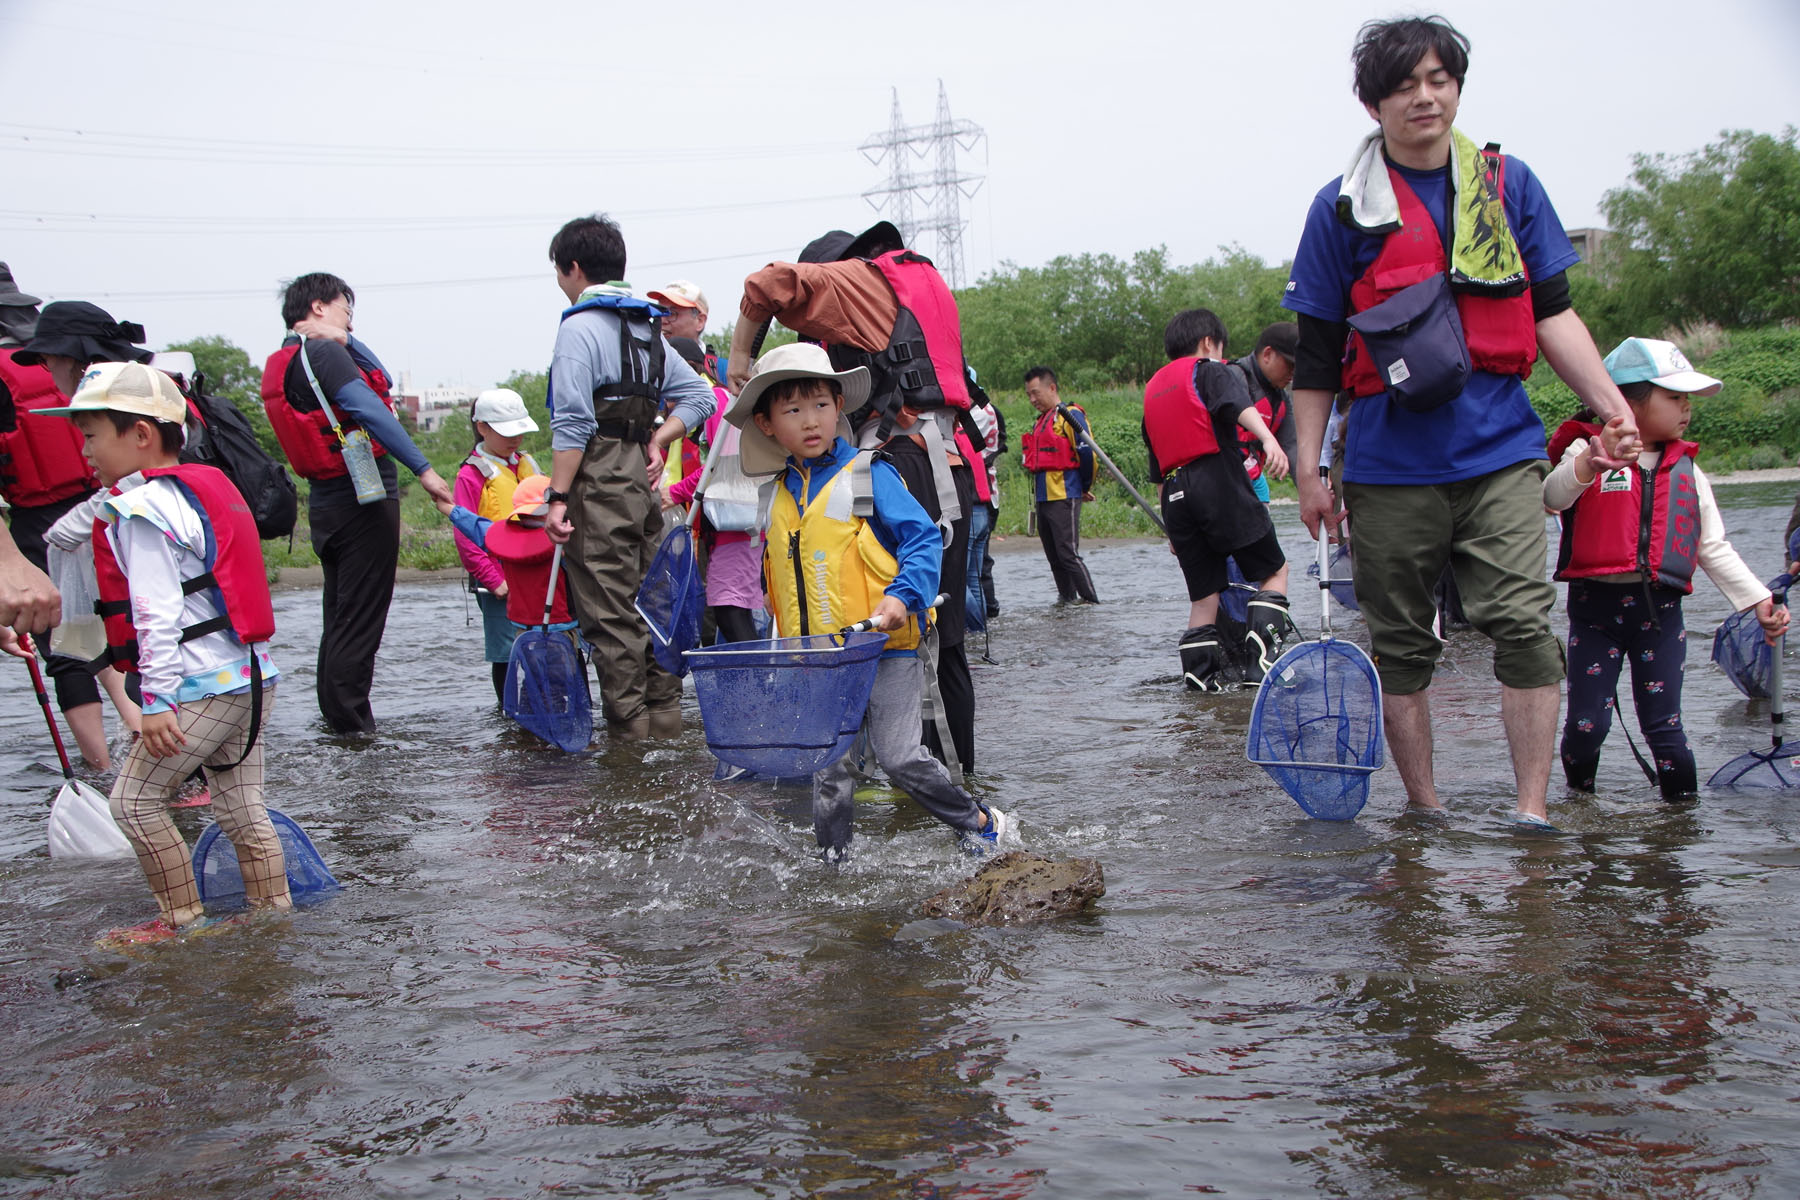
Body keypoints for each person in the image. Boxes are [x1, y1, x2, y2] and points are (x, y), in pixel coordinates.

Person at [1284, 16, 1641, 825]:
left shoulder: (1510, 186)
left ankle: (1530, 812)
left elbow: (1552, 314)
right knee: (1405, 649)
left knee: (1522, 625)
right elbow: (1316, 357)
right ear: (1373, 103)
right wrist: (1309, 470)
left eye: (1439, 79)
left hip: (1501, 452)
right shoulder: (1339, 210)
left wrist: (1613, 410)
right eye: (1404, 85)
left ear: (1457, 88)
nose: (1424, 97)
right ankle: (1426, 810)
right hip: (1385, 467)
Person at [722, 343, 1008, 859]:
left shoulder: (868, 473)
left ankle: (982, 822)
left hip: (883, 647)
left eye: (821, 406)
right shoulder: (778, 495)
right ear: (766, 424)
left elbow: (922, 540)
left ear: (839, 407)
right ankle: (836, 866)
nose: (810, 421)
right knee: (828, 769)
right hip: (819, 661)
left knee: (901, 759)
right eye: (792, 410)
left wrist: (902, 597)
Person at [41, 362, 289, 941]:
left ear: (141, 435)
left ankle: (180, 923)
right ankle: (272, 915)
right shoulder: (198, 487)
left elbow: (155, 614)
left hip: (201, 688)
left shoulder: (143, 512)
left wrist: (154, 702)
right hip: (253, 678)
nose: (85, 451)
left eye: (93, 434)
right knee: (239, 807)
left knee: (133, 803)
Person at [730, 220, 980, 777]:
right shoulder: (918, 282)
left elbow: (768, 286)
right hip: (943, 459)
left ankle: (923, 779)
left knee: (921, 634)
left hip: (904, 459)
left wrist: (741, 361)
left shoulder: (857, 281)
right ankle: (941, 774)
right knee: (945, 638)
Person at [1545, 338, 1787, 803]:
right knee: (1585, 727)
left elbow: (1711, 547)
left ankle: (1680, 828)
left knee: (1666, 731)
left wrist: (1759, 600)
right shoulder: (1586, 448)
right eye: (1673, 397)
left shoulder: (1688, 471)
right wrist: (1589, 464)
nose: (1686, 408)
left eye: (1687, 399)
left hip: (1659, 616)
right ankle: (1581, 806)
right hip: (1595, 613)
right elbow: (1551, 498)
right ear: (1624, 401)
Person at [541, 215, 716, 740]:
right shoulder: (647, 326)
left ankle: (630, 755)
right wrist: (657, 439)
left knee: (611, 613)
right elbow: (701, 397)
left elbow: (571, 424)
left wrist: (555, 497)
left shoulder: (578, 326)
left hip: (597, 480)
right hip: (643, 487)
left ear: (573, 268)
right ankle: (667, 726)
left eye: (558, 270)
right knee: (653, 603)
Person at [260, 273, 453, 735]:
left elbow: (374, 384)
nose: (350, 318)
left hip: (328, 504)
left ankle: (336, 721)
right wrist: (424, 469)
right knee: (360, 620)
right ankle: (352, 729)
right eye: (346, 309)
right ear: (320, 307)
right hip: (363, 501)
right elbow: (371, 404)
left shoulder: (288, 358)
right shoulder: (324, 353)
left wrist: (347, 336)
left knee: (341, 617)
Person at [7, 294, 151, 768]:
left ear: (64, 355)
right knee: (118, 631)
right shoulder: (135, 383)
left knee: (69, 645)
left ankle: (103, 768)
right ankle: (142, 737)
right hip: (97, 506)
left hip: (43, 524)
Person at [1145, 310, 1295, 692]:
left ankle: (1201, 685)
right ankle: (1260, 669)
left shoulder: (1153, 392)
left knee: (1203, 599)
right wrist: (1268, 438)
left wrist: (1173, 534)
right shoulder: (1209, 369)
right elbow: (1237, 405)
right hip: (1217, 481)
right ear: (1209, 343)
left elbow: (1158, 471)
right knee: (1275, 570)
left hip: (1176, 497)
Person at [665, 336, 764, 644]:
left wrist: (673, 493)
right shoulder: (720, 403)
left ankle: (753, 685)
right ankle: (752, 682)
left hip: (738, 523)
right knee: (738, 607)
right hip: (736, 523)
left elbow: (722, 469)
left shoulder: (718, 405)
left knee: (729, 607)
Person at [453, 389, 542, 701]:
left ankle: (535, 709)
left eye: (519, 432)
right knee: (505, 651)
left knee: (540, 646)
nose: (515, 440)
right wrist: (494, 580)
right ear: (482, 427)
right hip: (498, 578)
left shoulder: (527, 464)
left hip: (536, 573)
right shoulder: (472, 474)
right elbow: (466, 536)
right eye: (506, 432)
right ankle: (509, 714)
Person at [438, 474, 580, 655]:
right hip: (561, 631)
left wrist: (449, 509)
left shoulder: (502, 539)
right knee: (568, 680)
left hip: (523, 633)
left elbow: (475, 526)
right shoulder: (564, 541)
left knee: (532, 679)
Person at [1021, 366, 1100, 605]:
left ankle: (1090, 602)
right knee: (1054, 556)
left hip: (1065, 493)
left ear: (1051, 388)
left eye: (1036, 393)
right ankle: (1066, 600)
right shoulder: (1042, 420)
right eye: (1029, 395)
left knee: (1067, 554)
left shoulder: (1070, 415)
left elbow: (1088, 455)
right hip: (1044, 498)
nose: (1033, 399)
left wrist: (1084, 486)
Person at [1229, 322, 1299, 503]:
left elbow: (1292, 448)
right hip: (1222, 483)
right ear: (1267, 354)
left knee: (1264, 531)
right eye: (1290, 364)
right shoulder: (1232, 377)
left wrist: (1311, 491)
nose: (1293, 373)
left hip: (1253, 481)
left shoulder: (1282, 399)